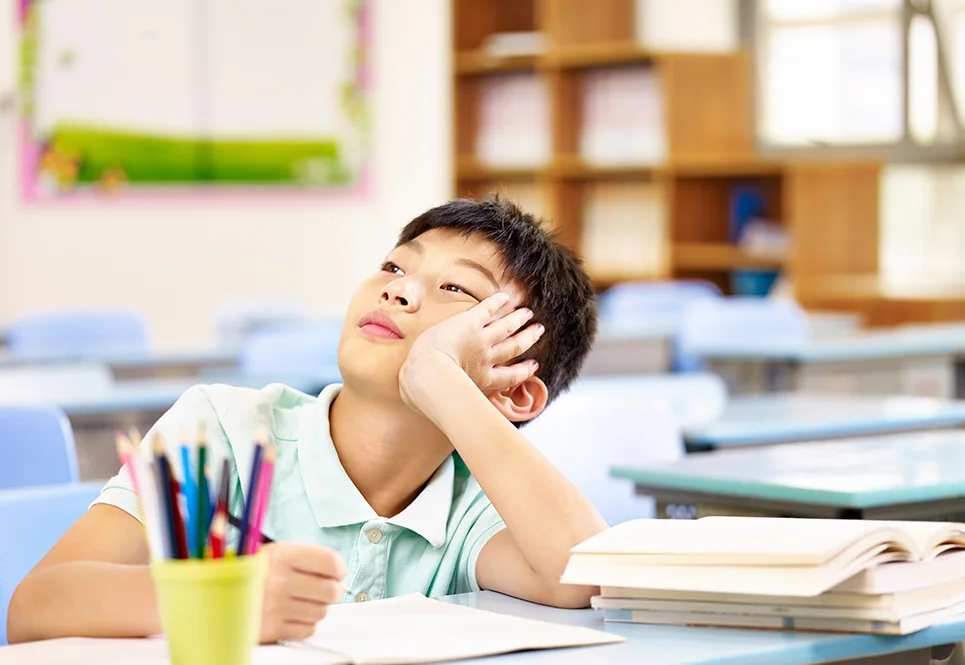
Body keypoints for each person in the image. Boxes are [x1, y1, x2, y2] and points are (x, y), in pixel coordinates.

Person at [7, 196, 605, 644]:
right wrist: (224, 601)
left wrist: (441, 379)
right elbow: (35, 608)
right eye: (395, 269)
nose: (399, 292)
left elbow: (582, 576)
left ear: (516, 392)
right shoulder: (227, 429)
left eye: (455, 289)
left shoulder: (476, 500)